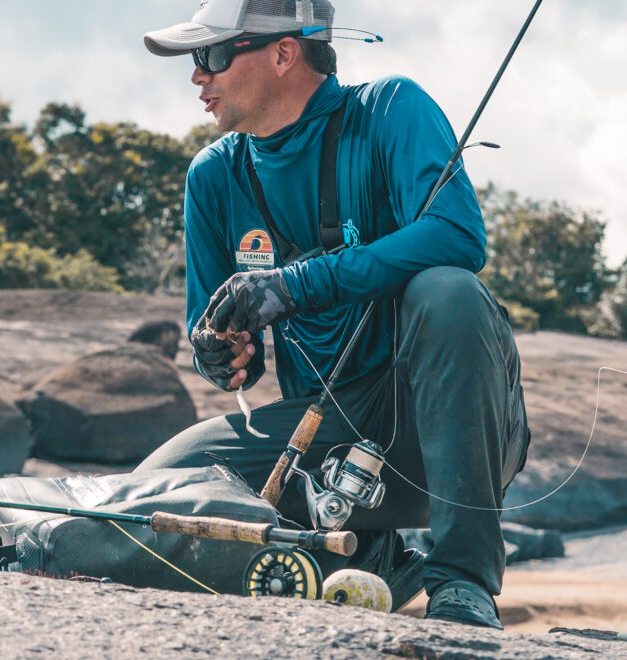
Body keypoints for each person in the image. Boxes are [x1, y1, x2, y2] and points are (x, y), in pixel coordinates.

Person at [139, 0, 530, 630]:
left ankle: (461, 582)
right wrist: (219, 353)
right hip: (324, 438)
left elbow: (458, 235)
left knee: (449, 293)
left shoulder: (391, 110)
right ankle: (372, 554)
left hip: (446, 430)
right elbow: (214, 340)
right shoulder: (212, 178)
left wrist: (295, 285)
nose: (197, 77)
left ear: (283, 53)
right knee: (152, 492)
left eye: (210, 56)